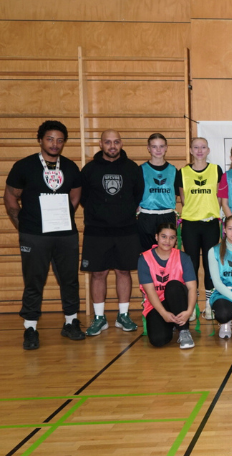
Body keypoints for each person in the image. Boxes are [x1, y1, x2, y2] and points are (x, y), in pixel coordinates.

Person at [4, 120, 84, 349]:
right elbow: (10, 197)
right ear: (40, 139)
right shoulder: (24, 166)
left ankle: (71, 322)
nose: (54, 144)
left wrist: (63, 216)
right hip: (34, 235)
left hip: (65, 234)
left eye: (59, 140)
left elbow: (75, 195)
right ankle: (30, 328)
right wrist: (23, 225)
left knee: (69, 279)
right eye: (50, 139)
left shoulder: (70, 167)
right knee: (34, 280)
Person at [80, 130, 145, 337]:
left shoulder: (132, 168)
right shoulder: (89, 169)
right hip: (96, 230)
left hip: (126, 229)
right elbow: (83, 197)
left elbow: (138, 194)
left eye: (116, 142)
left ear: (121, 143)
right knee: (98, 273)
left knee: (123, 271)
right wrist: (100, 213)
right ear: (101, 144)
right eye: (108, 142)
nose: (112, 146)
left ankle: (123, 315)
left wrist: (123, 212)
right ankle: (99, 318)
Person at [177, 137, 223, 320]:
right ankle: (192, 305)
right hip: (190, 224)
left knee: (210, 265)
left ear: (208, 150)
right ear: (190, 150)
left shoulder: (216, 170)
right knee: (192, 265)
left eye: (203, 147)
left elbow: (219, 196)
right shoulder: (183, 172)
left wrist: (210, 211)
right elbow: (183, 199)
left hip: (210, 223)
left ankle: (210, 304)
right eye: (196, 147)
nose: (199, 150)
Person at [138, 223, 197, 349]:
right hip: (157, 304)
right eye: (164, 236)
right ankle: (171, 324)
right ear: (156, 237)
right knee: (158, 340)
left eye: (172, 237)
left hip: (178, 299)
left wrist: (189, 311)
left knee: (173, 286)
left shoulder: (183, 257)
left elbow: (192, 288)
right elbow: (150, 291)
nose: (167, 241)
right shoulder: (144, 259)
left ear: (176, 240)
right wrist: (163, 313)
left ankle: (184, 330)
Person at [137, 133, 178, 252]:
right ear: (148, 148)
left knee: (167, 253)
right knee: (146, 253)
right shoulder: (141, 169)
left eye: (161, 146)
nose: (158, 150)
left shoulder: (173, 170)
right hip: (147, 216)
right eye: (154, 146)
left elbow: (175, 194)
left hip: (167, 216)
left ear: (166, 148)